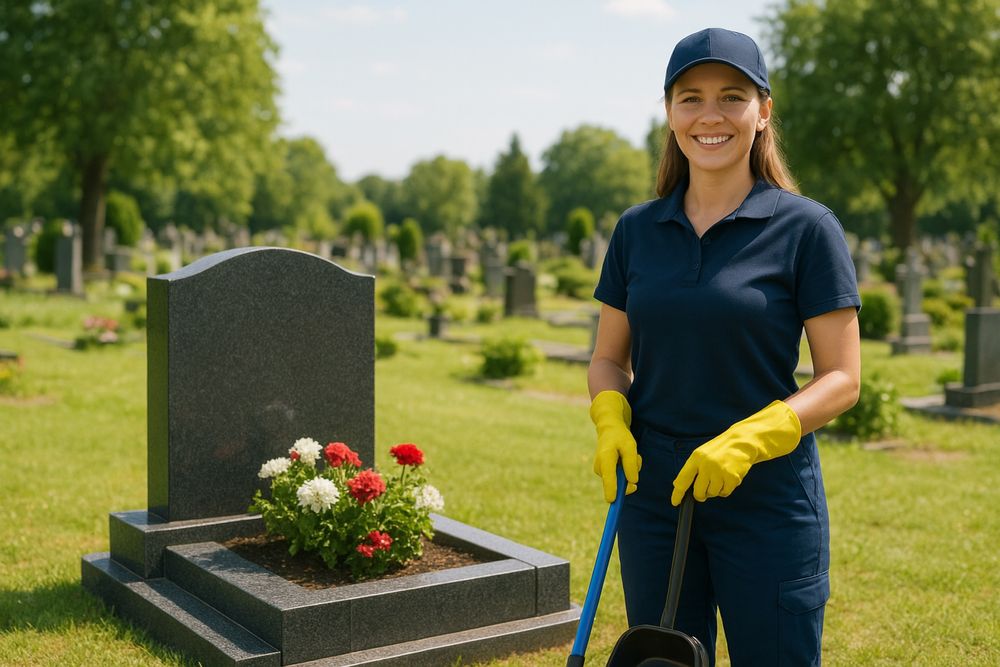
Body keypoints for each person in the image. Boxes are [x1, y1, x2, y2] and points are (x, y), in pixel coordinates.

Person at [587, 27, 861, 666]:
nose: (710, 115)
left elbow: (843, 378)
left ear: (763, 112)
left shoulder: (807, 228)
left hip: (766, 494)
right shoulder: (637, 230)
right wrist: (608, 419)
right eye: (691, 98)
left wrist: (753, 437)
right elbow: (608, 357)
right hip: (653, 492)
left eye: (731, 96)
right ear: (669, 114)